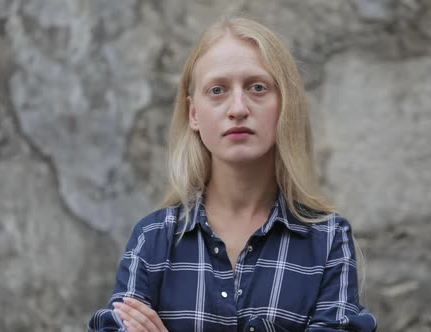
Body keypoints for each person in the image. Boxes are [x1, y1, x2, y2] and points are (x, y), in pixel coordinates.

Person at [88, 16, 377, 332]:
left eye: (257, 87)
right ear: (194, 113)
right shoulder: (153, 239)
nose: (238, 108)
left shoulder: (328, 240)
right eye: (217, 90)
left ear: (285, 106)